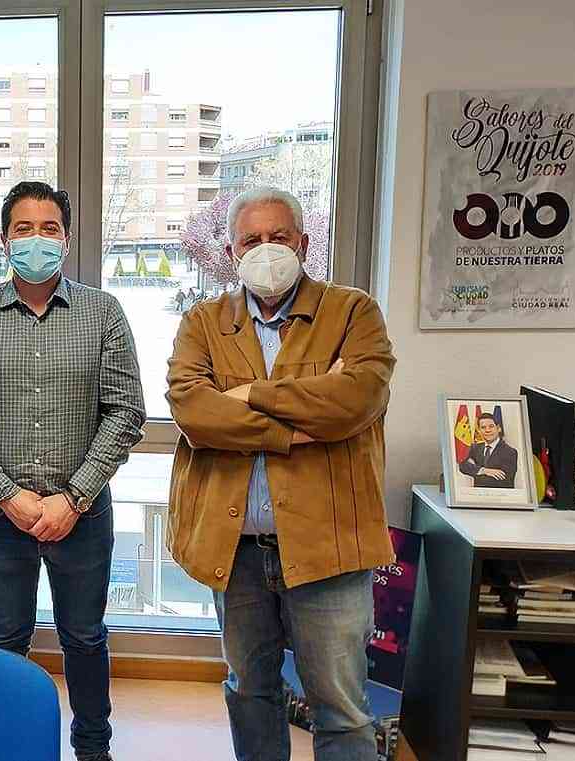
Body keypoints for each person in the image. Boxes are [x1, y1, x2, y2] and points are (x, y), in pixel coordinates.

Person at [166, 186, 396, 761]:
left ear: (304, 243)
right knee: (250, 691)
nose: (266, 249)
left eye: (279, 237)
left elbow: (358, 399)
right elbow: (194, 412)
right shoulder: (203, 322)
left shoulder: (353, 312)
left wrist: (249, 395)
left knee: (341, 707)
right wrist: (295, 426)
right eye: (251, 240)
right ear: (231, 251)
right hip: (236, 548)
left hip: (329, 547)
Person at [0, 181, 146, 761]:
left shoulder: (103, 313)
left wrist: (73, 497)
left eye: (49, 228)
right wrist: (8, 496)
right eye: (23, 228)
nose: (36, 239)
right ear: (4, 240)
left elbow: (126, 411)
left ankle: (93, 748)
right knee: (5, 637)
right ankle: (3, 746)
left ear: (67, 239)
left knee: (85, 637)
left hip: (83, 514)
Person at [459, 412, 518, 488]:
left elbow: (504, 480)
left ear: (498, 428)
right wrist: (484, 470)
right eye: (483, 427)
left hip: (499, 494)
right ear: (479, 430)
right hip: (478, 493)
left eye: (491, 426)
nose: (487, 430)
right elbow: (463, 466)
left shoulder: (510, 452)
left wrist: (475, 470)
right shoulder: (475, 448)